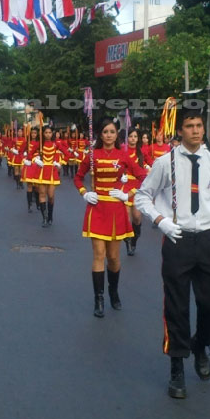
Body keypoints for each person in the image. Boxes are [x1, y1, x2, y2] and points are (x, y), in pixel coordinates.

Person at [135, 110, 210, 399]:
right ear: (181, 130)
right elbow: (142, 196)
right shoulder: (166, 162)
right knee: (177, 306)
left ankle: (200, 345)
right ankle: (177, 364)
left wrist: (206, 221)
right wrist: (161, 221)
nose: (196, 131)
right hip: (177, 241)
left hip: (207, 241)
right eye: (190, 126)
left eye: (199, 125)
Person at [73, 119, 147, 318]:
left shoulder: (124, 156)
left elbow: (142, 176)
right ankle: (99, 298)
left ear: (117, 135)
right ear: (100, 134)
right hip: (96, 208)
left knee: (113, 257)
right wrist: (84, 193)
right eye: (105, 131)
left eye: (112, 131)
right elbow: (78, 176)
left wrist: (128, 194)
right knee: (98, 254)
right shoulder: (92, 155)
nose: (108, 135)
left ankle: (113, 291)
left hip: (116, 209)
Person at [122, 127, 152, 255]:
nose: (133, 139)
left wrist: (148, 166)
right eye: (130, 136)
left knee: (137, 217)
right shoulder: (122, 151)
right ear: (127, 138)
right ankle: (128, 244)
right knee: (126, 219)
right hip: (124, 186)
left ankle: (134, 240)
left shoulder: (142, 152)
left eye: (135, 136)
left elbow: (151, 163)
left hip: (138, 186)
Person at [28, 125, 65, 227]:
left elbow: (66, 153)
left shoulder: (55, 144)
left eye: (49, 132)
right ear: (43, 134)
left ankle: (50, 216)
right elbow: (29, 155)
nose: (48, 134)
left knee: (51, 196)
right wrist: (35, 160)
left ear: (52, 133)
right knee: (42, 194)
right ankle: (44, 218)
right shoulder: (39, 144)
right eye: (46, 133)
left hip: (52, 171)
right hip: (41, 171)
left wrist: (60, 163)